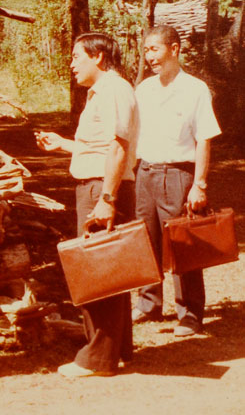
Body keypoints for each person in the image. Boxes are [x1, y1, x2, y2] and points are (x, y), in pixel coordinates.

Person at [35, 33, 139, 378]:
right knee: (112, 271)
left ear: (97, 56)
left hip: (103, 189)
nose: (72, 63)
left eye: (77, 56)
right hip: (99, 185)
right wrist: (64, 144)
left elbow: (119, 147)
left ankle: (97, 359)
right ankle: (117, 351)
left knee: (98, 273)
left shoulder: (114, 90)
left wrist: (107, 199)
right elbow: (99, 146)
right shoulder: (102, 92)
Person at [132, 24, 221, 337]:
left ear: (175, 49)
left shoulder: (194, 89)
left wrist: (200, 183)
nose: (150, 56)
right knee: (146, 241)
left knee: (183, 245)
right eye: (146, 50)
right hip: (145, 173)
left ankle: (190, 313)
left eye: (155, 49)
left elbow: (205, 139)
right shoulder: (144, 89)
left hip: (177, 174)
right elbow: (133, 135)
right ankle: (148, 303)